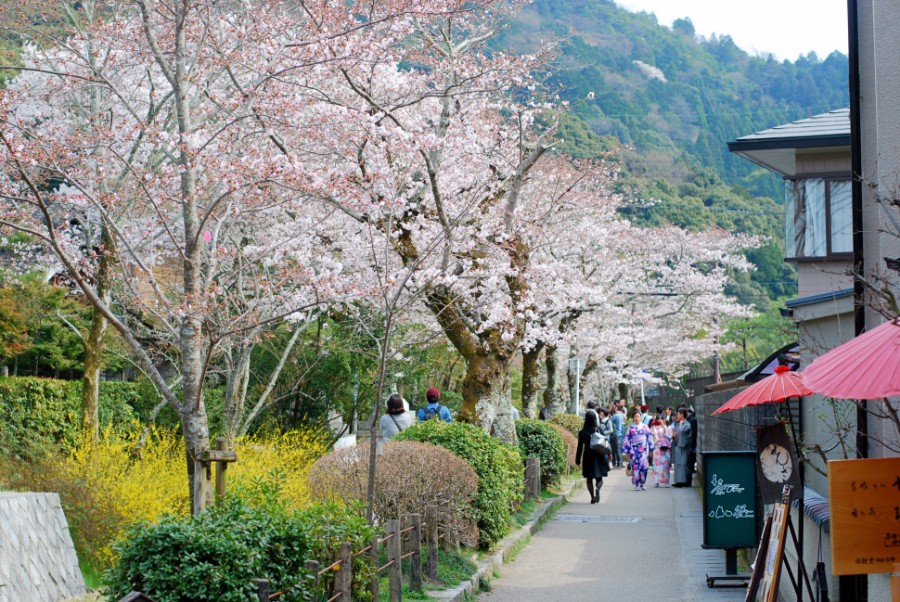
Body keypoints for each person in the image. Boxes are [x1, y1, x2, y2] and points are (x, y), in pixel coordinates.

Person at [575, 410, 610, 504]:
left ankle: (592, 497)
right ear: (595, 419)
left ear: (586, 419)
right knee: (600, 478)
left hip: (588, 456)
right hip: (599, 455)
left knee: (589, 479)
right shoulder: (598, 429)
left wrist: (577, 460)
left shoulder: (582, 432)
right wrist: (609, 454)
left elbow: (579, 447)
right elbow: (605, 442)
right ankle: (598, 489)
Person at [622, 409, 654, 491]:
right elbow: (627, 439)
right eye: (635, 417)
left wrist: (651, 447)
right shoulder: (631, 428)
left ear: (640, 417)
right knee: (636, 468)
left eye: (638, 416)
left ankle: (643, 483)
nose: (637, 418)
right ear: (633, 418)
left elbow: (649, 437)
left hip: (643, 450)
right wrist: (627, 451)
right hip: (634, 450)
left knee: (644, 467)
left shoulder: (645, 427)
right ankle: (636, 484)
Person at [672, 408, 693, 487]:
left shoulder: (687, 424)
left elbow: (683, 433)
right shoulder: (678, 424)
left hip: (683, 447)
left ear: (682, 415)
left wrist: (680, 426)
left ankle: (682, 481)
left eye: (678, 414)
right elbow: (677, 432)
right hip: (677, 445)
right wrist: (674, 435)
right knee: (677, 464)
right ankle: (678, 481)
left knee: (683, 464)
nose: (677, 415)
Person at [649, 418, 672, 487]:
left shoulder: (668, 427)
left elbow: (669, 436)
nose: (660, 421)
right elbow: (652, 437)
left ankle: (666, 481)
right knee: (656, 466)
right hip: (657, 449)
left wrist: (663, 425)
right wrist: (653, 426)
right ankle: (656, 481)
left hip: (665, 448)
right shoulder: (654, 427)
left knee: (666, 465)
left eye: (662, 419)